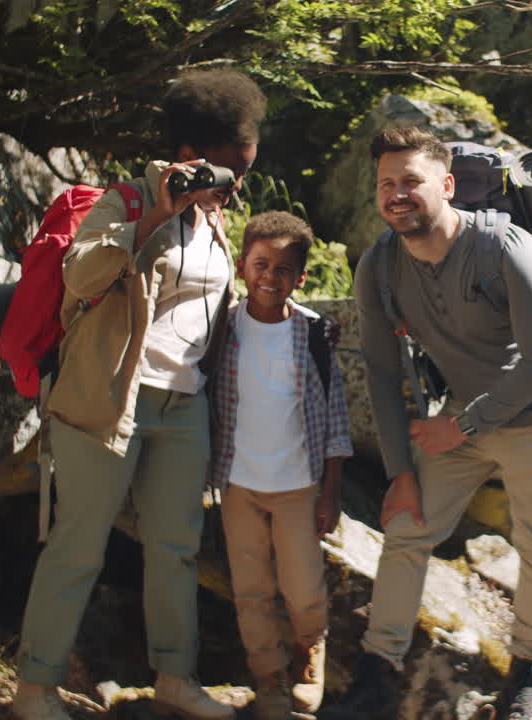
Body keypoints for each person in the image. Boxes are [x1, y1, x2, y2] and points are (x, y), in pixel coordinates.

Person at [11, 69, 266, 720]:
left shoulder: (215, 221)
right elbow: (82, 274)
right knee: (78, 545)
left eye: (245, 173)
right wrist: (158, 214)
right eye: (232, 171)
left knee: (176, 550)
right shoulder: (125, 201)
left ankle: (174, 680)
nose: (237, 186)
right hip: (107, 400)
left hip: (184, 404)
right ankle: (35, 689)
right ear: (189, 157)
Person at [321, 125, 532, 720]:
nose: (397, 194)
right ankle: (375, 678)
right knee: (407, 529)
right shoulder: (380, 267)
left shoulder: (509, 248)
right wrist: (399, 473)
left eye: (411, 180)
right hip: (461, 421)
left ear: (445, 184)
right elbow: (384, 377)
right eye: (386, 183)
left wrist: (461, 427)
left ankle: (526, 677)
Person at [208, 210, 352, 720]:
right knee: (251, 589)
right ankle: (267, 675)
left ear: (301, 277)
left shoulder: (314, 335)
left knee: (303, 586)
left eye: (284, 269)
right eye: (261, 265)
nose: (271, 277)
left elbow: (334, 414)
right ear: (243, 265)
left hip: (297, 485)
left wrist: (330, 490)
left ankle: (308, 652)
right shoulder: (222, 329)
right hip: (238, 484)